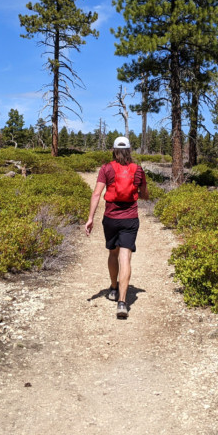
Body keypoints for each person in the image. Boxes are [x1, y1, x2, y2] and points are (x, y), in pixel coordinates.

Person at [85, 136, 148, 319]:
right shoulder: (138, 170)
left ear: (113, 150)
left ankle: (113, 288)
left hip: (111, 219)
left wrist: (90, 218)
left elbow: (97, 194)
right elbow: (144, 195)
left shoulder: (106, 168)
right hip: (130, 219)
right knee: (125, 257)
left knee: (113, 253)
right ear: (129, 151)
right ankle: (122, 302)